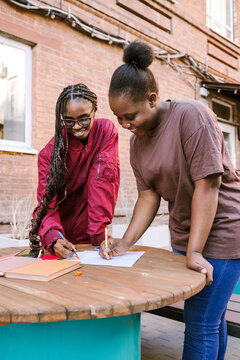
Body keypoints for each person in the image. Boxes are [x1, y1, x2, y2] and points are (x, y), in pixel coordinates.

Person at [99, 41, 240, 360]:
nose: (124, 125)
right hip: (187, 236)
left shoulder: (192, 116)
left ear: (152, 99)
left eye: (129, 115)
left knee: (200, 323)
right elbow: (148, 194)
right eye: (118, 117)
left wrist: (195, 251)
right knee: (212, 318)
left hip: (223, 232)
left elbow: (209, 185)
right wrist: (126, 242)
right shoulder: (138, 142)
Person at [29, 83, 120, 259]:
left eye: (84, 118)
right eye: (69, 121)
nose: (77, 126)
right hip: (61, 239)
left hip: (93, 235)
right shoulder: (49, 155)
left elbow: (101, 184)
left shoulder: (105, 132)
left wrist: (100, 235)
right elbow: (46, 203)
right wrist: (53, 238)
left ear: (94, 111)